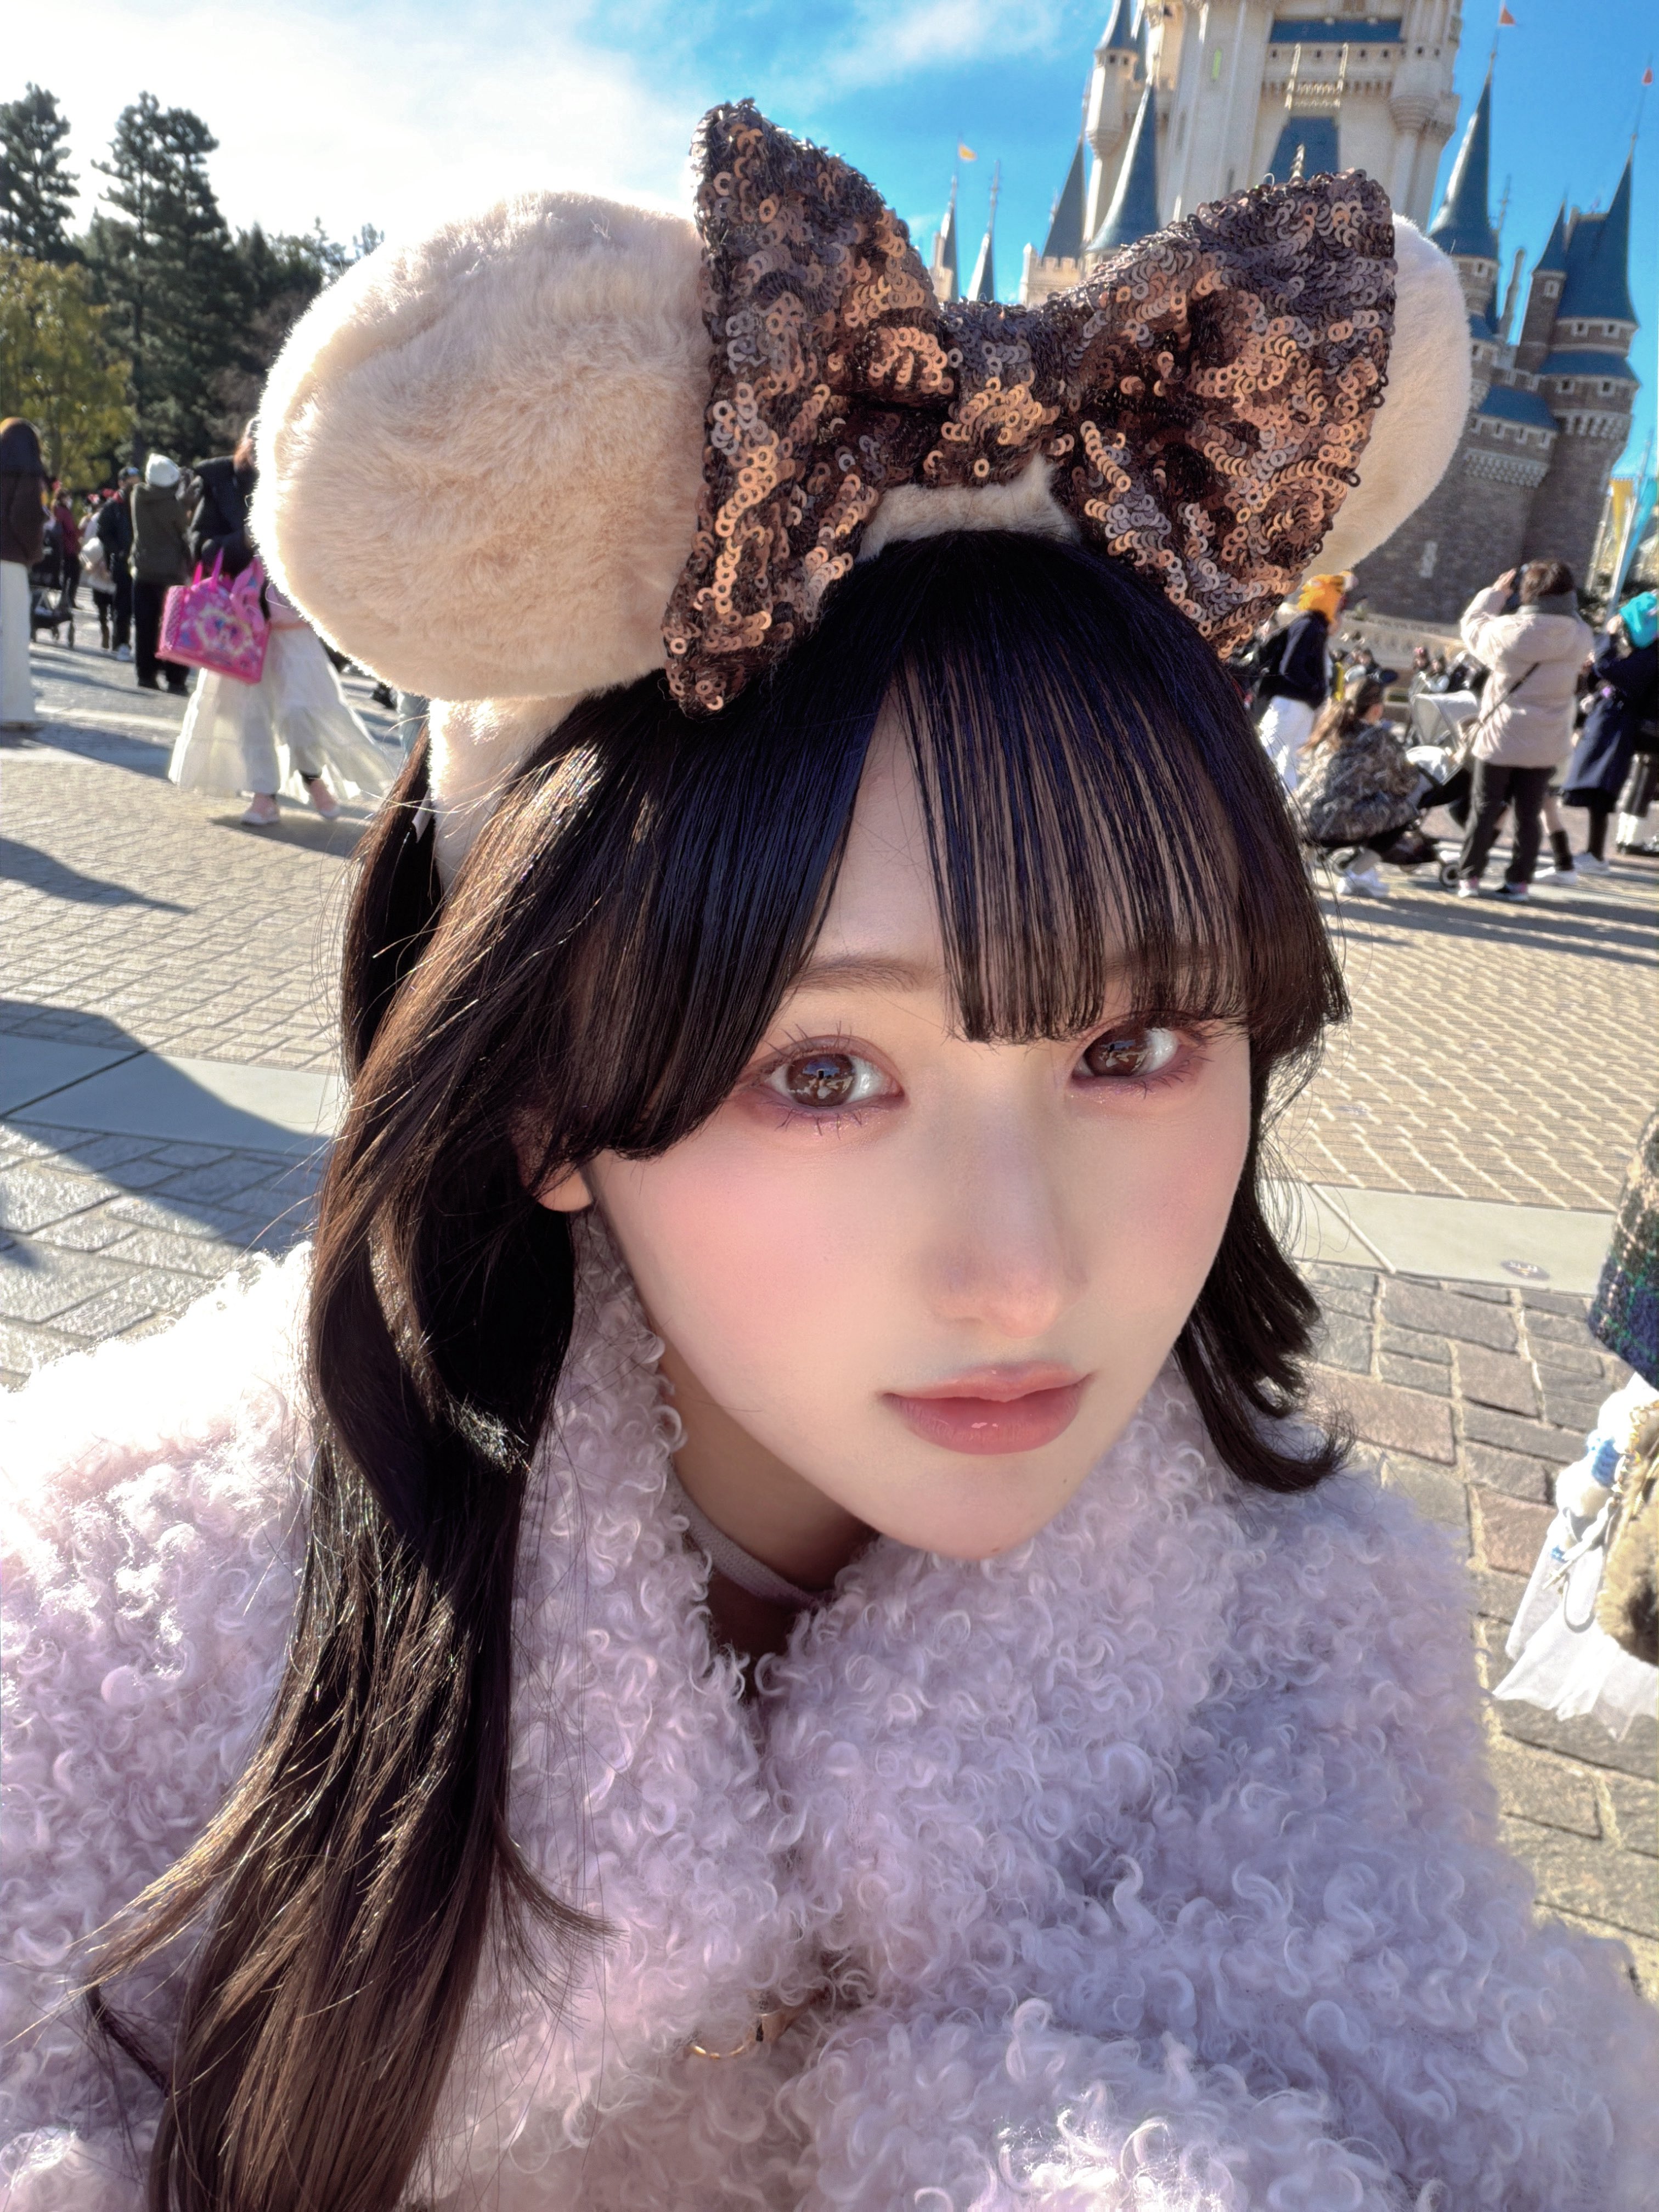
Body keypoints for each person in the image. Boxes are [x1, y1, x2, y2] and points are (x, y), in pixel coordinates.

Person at [7, 107, 1656, 2212]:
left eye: (1132, 1045)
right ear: (543, 1100)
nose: (1017, 1270)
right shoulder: (116, 1621)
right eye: (820, 1073)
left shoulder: (1290, 1635)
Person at [1453, 559, 1591, 900]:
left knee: (1485, 808)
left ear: (1529, 592)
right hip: (1546, 741)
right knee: (1529, 815)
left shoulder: (1508, 631)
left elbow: (1472, 628)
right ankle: (1519, 883)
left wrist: (1494, 595)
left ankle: (1470, 877)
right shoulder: (1580, 636)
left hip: (1501, 736)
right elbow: (1575, 624)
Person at [1293, 674, 1421, 897]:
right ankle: (1357, 874)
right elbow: (1407, 781)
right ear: (1377, 710)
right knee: (1404, 810)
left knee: (1323, 798)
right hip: (1337, 828)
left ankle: (1303, 868)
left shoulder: (1331, 730)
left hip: (1300, 821)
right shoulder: (1379, 738)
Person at [1252, 571, 1347, 792]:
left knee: (1291, 761)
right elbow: (1291, 666)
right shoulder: (1308, 626)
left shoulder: (1314, 627)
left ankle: (1284, 803)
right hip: (1290, 702)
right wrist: (1314, 687)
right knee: (1268, 752)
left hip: (1300, 705)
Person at [128, 453, 192, 692]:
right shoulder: (174, 507)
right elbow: (184, 531)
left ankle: (146, 674)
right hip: (171, 575)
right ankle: (175, 678)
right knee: (174, 626)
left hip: (143, 571)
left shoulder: (138, 497)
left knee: (145, 626)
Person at [1, 416, 49, 726]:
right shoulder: (27, 472)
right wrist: (33, 552)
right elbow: (25, 519)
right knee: (14, 634)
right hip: (9, 558)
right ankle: (13, 708)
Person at [189, 421, 257, 574]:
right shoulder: (220, 480)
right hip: (233, 584)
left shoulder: (294, 485)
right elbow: (200, 550)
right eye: (255, 447)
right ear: (246, 446)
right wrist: (243, 541)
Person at [94, 467, 137, 659]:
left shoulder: (141, 502)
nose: (134, 483)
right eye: (131, 480)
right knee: (122, 605)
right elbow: (102, 532)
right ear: (121, 482)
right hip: (121, 562)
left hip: (141, 561)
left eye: (137, 479)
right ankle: (121, 642)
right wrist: (117, 551)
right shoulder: (113, 506)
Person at [50, 482, 81, 610]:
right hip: (69, 547)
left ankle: (65, 599)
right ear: (63, 498)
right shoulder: (64, 511)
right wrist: (79, 534)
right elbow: (70, 529)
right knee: (74, 573)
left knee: (66, 574)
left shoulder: (55, 509)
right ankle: (69, 599)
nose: (69, 500)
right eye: (68, 497)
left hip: (60, 547)